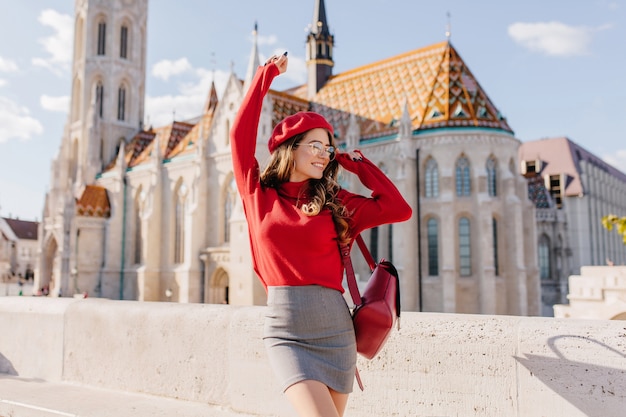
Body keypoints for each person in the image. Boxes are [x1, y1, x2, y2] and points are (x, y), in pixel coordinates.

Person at [230, 52, 412, 417]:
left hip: (336, 333)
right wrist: (266, 75)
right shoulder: (257, 193)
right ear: (290, 149)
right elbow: (238, 136)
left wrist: (357, 166)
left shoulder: (335, 202)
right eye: (315, 145)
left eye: (327, 148)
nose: (324, 154)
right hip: (286, 333)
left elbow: (398, 209)